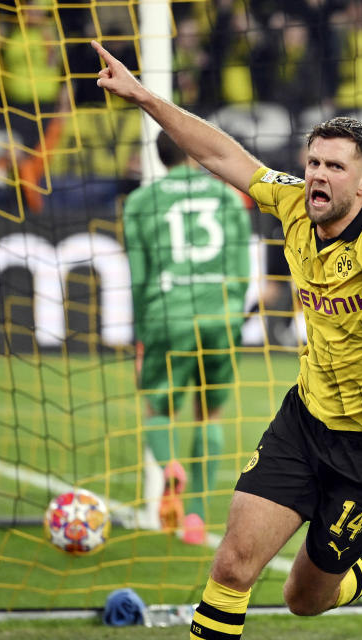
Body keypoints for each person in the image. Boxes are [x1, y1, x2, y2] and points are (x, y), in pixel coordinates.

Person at [92, 39, 362, 638]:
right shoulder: (294, 202)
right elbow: (220, 153)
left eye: (335, 166)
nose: (318, 174)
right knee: (233, 564)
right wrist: (144, 98)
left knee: (305, 599)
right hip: (306, 419)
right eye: (314, 161)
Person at [123, 131, 252, 545]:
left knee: (158, 406)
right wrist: (231, 316)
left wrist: (143, 337)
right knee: (209, 413)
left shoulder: (141, 203)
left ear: (158, 158)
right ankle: (195, 515)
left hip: (168, 315)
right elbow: (241, 271)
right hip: (221, 317)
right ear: (195, 152)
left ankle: (168, 469)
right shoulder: (229, 198)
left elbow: (140, 278)